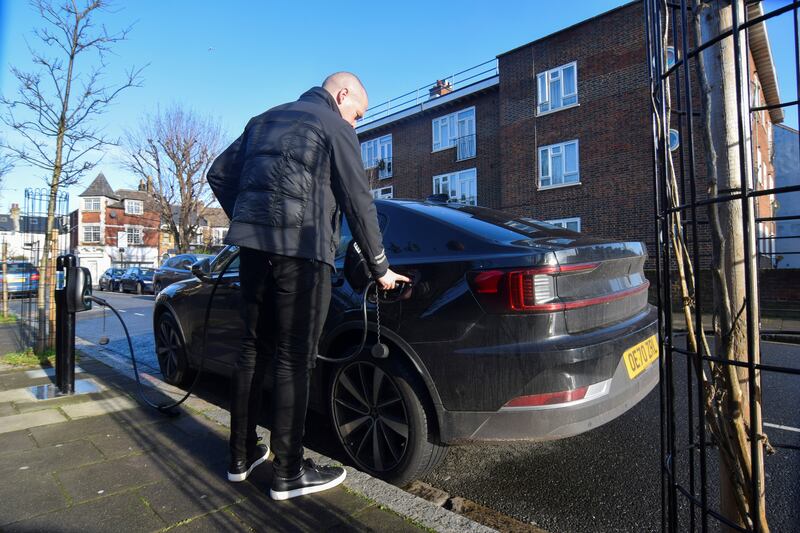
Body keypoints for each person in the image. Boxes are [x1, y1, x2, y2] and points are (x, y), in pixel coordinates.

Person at [207, 72, 409, 500]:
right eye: (358, 114)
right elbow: (358, 199)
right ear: (342, 96)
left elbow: (218, 174)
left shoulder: (262, 120)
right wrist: (380, 268)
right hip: (302, 250)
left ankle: (240, 456)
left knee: (251, 349)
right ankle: (289, 472)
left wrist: (251, 217)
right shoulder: (333, 125)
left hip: (253, 250)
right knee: (293, 359)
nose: (356, 123)